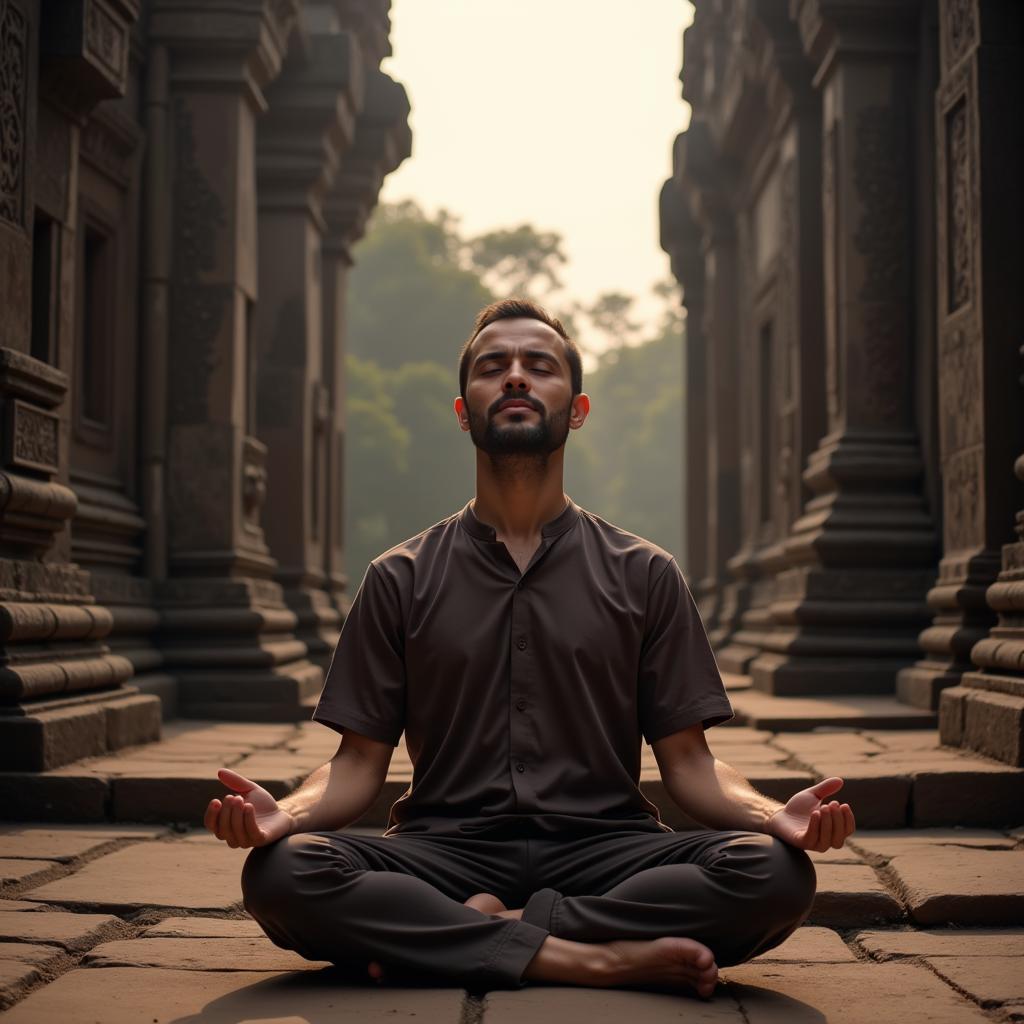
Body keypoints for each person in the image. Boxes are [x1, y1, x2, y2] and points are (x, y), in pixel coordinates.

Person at [204, 298, 856, 998]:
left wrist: (772, 816)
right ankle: (590, 959)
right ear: (464, 411)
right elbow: (358, 765)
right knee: (281, 872)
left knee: (774, 873)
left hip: (608, 849)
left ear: (576, 409)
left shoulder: (646, 575)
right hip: (444, 849)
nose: (515, 378)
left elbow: (690, 764)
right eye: (493, 367)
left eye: (538, 366)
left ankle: (461, 936)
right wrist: (286, 816)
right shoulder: (399, 577)